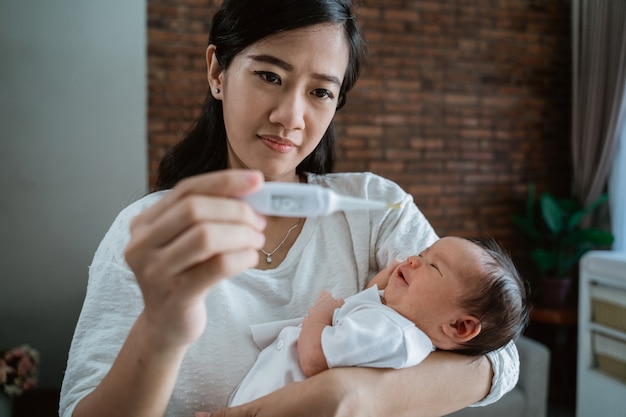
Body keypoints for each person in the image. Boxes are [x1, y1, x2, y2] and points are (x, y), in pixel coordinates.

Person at [59, 1, 521, 416]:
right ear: (217, 72)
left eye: (320, 92)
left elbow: (499, 357)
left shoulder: (376, 209)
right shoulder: (151, 231)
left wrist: (354, 396)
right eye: (269, 76)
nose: (290, 116)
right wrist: (163, 326)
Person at [228, 236, 530, 406]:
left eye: (433, 266)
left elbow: (315, 359)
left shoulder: (395, 334)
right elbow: (365, 304)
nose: (412, 260)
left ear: (459, 327)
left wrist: (320, 313)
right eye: (423, 253)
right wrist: (388, 281)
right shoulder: (395, 323)